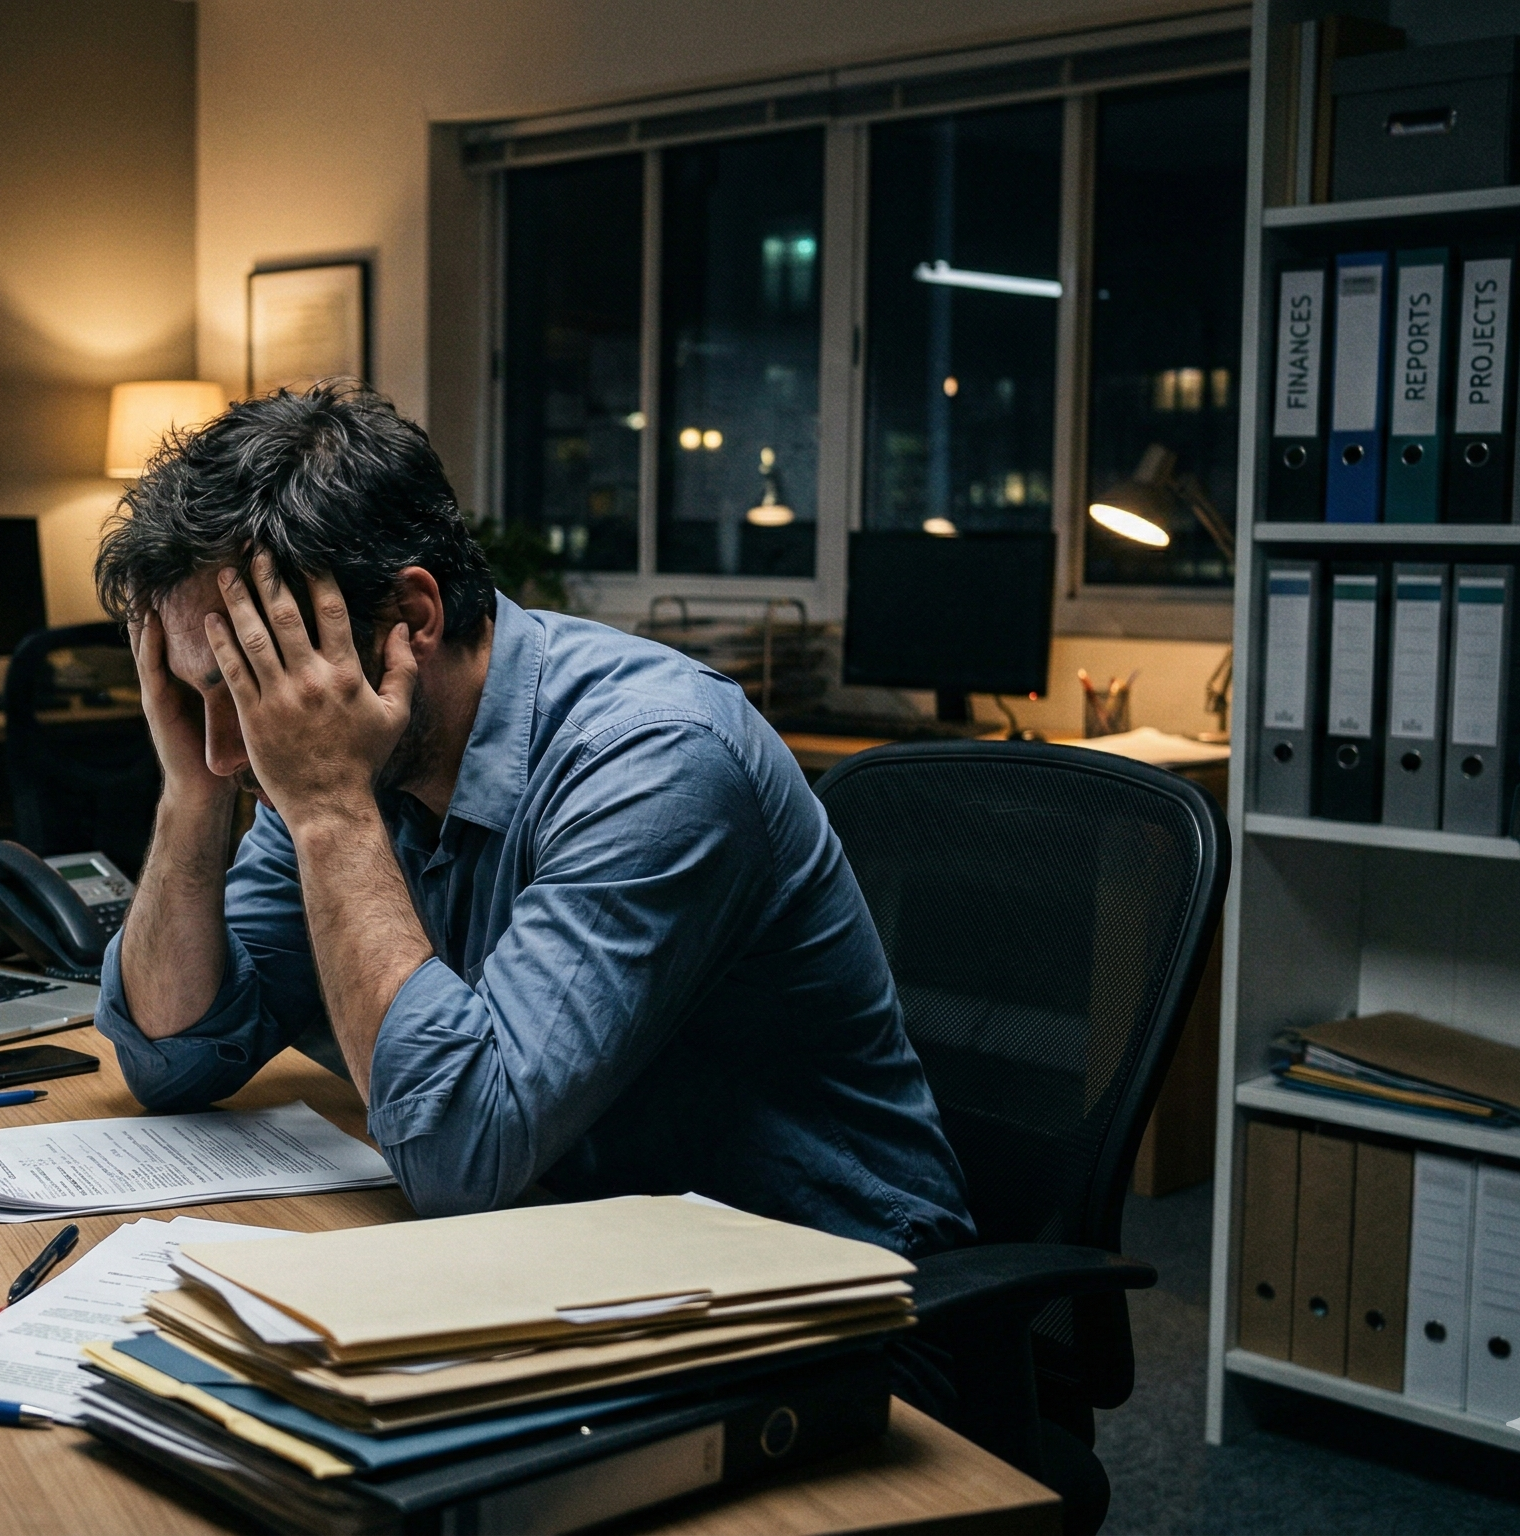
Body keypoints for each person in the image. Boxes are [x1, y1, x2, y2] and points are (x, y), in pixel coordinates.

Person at [90, 383, 972, 1258]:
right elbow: (176, 1056)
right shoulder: (329, 748)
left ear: (412, 619)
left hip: (825, 1298)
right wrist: (192, 793)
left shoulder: (653, 757)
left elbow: (459, 1154)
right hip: (570, 1244)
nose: (228, 748)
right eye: (204, 692)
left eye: (251, 686)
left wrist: (327, 807)